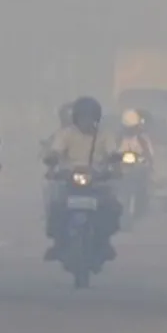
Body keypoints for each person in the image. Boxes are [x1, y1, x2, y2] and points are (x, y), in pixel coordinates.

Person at [42, 96, 121, 262]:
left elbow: (112, 153)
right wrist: (51, 164)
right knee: (56, 206)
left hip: (98, 180)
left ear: (96, 118)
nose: (86, 121)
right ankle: (58, 242)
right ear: (76, 118)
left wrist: (115, 165)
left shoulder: (105, 135)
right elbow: (56, 152)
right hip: (68, 179)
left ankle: (104, 242)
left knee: (112, 206)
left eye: (90, 117)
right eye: (83, 117)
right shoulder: (66, 134)